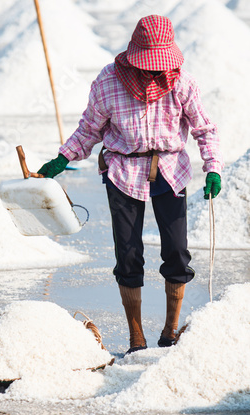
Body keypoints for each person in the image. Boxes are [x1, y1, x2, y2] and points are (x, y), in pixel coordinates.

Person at [38, 15, 223, 355]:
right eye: (148, 66)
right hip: (123, 171)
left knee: (177, 253)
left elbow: (204, 129)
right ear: (135, 56)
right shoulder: (109, 82)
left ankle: (169, 330)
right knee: (128, 254)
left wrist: (213, 167)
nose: (154, 72)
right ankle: (136, 335)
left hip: (170, 171)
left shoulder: (182, 84)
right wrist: (64, 157)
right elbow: (90, 129)